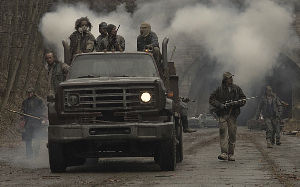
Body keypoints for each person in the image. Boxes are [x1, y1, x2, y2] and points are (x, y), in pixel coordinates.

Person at [209, 72, 246, 161]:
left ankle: (231, 153)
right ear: (225, 79)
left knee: (232, 134)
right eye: (229, 78)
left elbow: (243, 99)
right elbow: (211, 99)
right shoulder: (219, 89)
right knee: (223, 133)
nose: (231, 79)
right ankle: (224, 153)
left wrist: (237, 103)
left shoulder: (237, 89)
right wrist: (220, 105)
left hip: (233, 115)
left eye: (231, 78)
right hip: (222, 114)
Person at [21, 88, 47, 159]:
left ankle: (36, 154)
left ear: (33, 93)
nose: (29, 94)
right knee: (28, 139)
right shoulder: (25, 102)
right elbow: (22, 111)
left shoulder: (39, 100)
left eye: (31, 93)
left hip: (37, 123)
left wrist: (43, 116)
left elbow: (44, 109)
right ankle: (29, 155)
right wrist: (22, 119)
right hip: (28, 123)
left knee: (37, 139)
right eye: (28, 93)